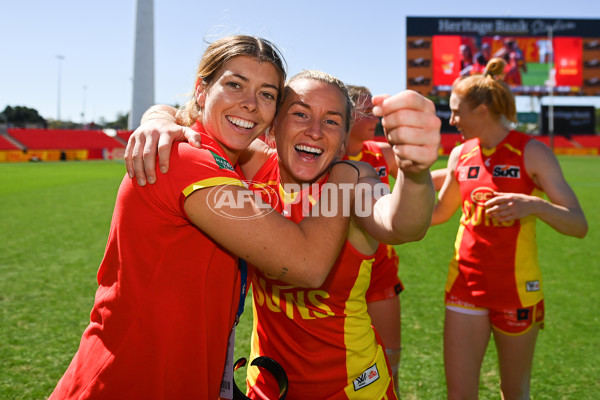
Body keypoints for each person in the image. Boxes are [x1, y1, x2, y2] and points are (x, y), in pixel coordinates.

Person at [48, 35, 364, 400]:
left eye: (266, 94)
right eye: (234, 85)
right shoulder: (186, 161)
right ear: (201, 90)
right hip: (126, 380)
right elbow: (306, 264)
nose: (249, 104)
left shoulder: (234, 162)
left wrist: (158, 113)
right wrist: (345, 178)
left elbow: (305, 162)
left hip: (184, 378)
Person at [125, 71, 441, 399]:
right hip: (267, 387)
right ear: (273, 126)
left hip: (352, 388)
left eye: (331, 121)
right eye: (300, 114)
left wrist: (415, 174)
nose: (315, 131)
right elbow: (195, 115)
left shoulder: (351, 181)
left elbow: (401, 223)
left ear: (346, 137)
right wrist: (156, 117)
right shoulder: (251, 164)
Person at [432, 58, 588, 400]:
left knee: (514, 391)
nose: (452, 119)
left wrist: (534, 205)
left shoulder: (532, 151)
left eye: (457, 111)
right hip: (465, 286)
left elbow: (579, 225)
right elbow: (439, 212)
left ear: (482, 110)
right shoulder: (460, 154)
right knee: (460, 394)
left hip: (517, 291)